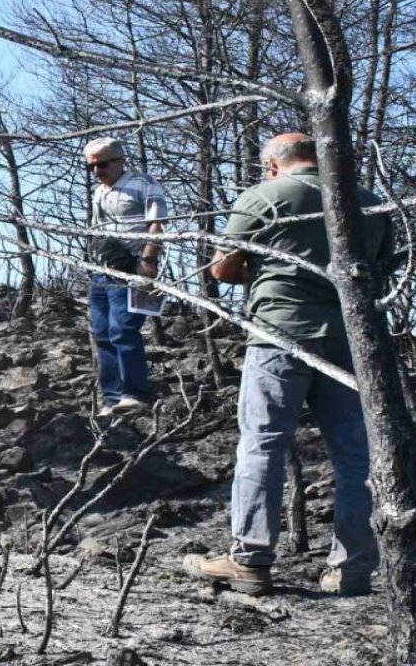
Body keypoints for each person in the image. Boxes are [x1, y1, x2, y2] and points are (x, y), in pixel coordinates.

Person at [183, 133, 391, 596]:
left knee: (263, 445)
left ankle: (250, 561)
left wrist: (258, 271)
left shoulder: (264, 196)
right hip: (351, 339)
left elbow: (221, 268)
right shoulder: (369, 201)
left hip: (279, 334)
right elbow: (381, 265)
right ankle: (353, 568)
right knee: (358, 456)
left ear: (272, 166)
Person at [84, 137, 167, 416]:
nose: (97, 171)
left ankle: (134, 394)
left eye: (102, 164)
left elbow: (158, 223)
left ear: (120, 161)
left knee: (123, 329)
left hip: (131, 267)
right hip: (101, 269)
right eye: (91, 166)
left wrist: (148, 259)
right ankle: (111, 399)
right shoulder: (99, 193)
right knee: (103, 333)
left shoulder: (143, 183)